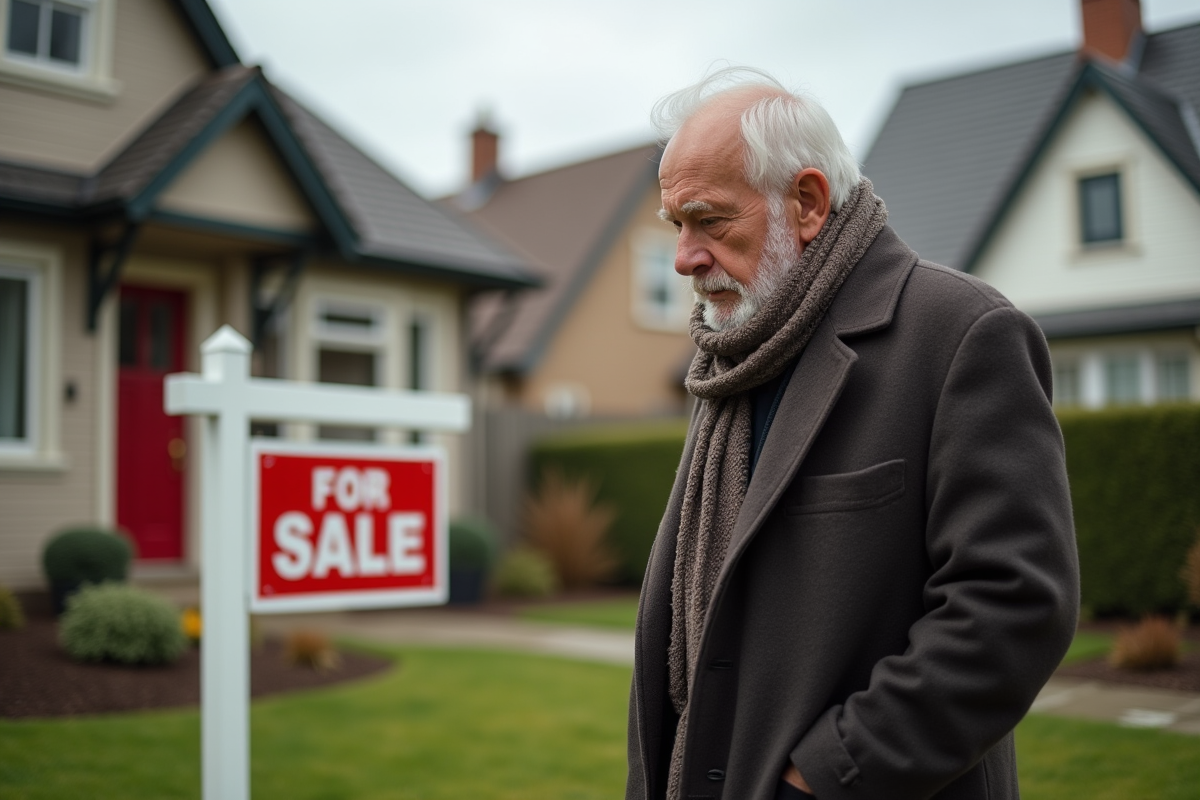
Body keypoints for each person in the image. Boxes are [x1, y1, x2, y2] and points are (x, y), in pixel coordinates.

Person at [626, 67, 1079, 800]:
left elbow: (1012, 607)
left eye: (709, 221)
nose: (684, 257)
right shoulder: (736, 353)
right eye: (676, 225)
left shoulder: (962, 333)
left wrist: (829, 772)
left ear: (807, 203)